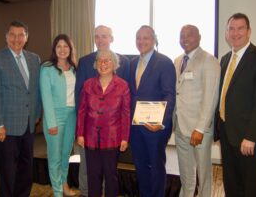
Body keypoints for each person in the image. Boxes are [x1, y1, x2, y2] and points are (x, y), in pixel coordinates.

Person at [216, 13, 256, 197]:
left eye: (240, 28)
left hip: (248, 138)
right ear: (226, 33)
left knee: (250, 185)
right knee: (231, 182)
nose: (235, 33)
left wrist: (251, 137)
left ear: (249, 31)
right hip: (227, 134)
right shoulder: (226, 59)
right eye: (231, 29)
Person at [0, 20, 41, 197]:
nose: (17, 39)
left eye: (21, 35)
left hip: (28, 125)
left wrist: (37, 114)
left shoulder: (34, 59)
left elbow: (35, 90)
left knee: (26, 170)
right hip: (5, 128)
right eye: (13, 35)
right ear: (6, 37)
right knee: (8, 173)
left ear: (26, 37)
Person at [75, 25, 130, 197]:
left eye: (104, 36)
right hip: (90, 134)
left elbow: (126, 111)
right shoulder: (87, 77)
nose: (103, 64)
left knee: (110, 174)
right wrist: (80, 132)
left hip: (112, 136)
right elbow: (81, 107)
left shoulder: (122, 80)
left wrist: (124, 136)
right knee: (92, 174)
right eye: (97, 36)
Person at [173, 25, 220, 197]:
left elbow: (211, 96)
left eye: (190, 35)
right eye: (182, 35)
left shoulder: (209, 60)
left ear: (199, 37)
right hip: (180, 126)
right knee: (186, 172)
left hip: (198, 129)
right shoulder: (178, 60)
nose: (185, 39)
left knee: (203, 172)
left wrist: (200, 128)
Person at [129, 25, 176, 197]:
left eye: (145, 38)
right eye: (138, 38)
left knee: (156, 168)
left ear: (154, 40)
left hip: (154, 127)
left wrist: (161, 123)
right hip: (135, 127)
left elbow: (169, 95)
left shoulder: (164, 62)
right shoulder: (133, 62)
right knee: (140, 166)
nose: (141, 42)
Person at [40, 34, 77, 197]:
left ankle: (64, 186)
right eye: (59, 46)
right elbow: (46, 98)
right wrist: (51, 123)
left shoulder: (74, 68)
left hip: (71, 116)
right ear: (54, 49)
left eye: (66, 46)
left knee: (65, 154)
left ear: (70, 49)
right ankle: (57, 193)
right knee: (54, 157)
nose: (62, 50)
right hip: (55, 116)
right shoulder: (47, 68)